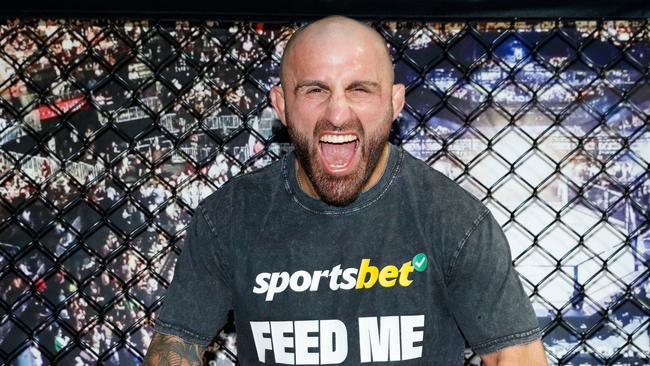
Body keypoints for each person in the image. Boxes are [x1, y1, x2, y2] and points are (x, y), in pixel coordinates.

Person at [143, 15, 548, 365]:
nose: (337, 114)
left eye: (360, 89)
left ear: (394, 103)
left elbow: (515, 356)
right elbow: (174, 348)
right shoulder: (230, 217)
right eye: (315, 90)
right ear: (282, 105)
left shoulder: (453, 218)